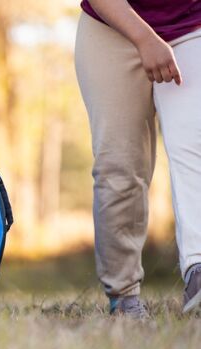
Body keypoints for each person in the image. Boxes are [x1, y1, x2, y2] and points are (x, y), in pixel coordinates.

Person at [74, 0, 201, 317]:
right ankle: (123, 293)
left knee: (194, 147)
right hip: (112, 26)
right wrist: (144, 38)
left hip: (192, 25)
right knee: (120, 164)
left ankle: (198, 269)